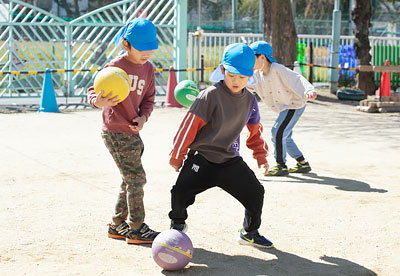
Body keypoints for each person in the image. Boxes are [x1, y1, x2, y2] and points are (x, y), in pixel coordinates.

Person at [168, 43, 274, 248]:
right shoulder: (209, 95)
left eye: (242, 77)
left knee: (256, 192)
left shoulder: (251, 101)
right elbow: (188, 126)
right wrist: (177, 156)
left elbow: (255, 131)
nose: (236, 81)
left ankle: (249, 232)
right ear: (223, 70)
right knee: (180, 191)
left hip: (229, 160)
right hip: (202, 157)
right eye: (232, 75)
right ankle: (177, 225)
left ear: (250, 74)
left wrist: (261, 156)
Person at [87, 18, 159, 244]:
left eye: (151, 49)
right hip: (115, 130)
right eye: (141, 49)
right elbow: (93, 91)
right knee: (137, 178)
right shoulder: (114, 68)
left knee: (129, 179)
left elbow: (149, 99)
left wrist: (143, 117)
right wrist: (96, 101)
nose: (147, 54)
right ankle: (136, 228)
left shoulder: (148, 69)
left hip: (133, 130)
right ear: (126, 45)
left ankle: (117, 225)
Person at [248, 41, 317, 176]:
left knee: (277, 132)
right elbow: (245, 86)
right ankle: (302, 163)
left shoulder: (278, 69)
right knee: (284, 136)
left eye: (252, 58)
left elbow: (297, 79)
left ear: (262, 57)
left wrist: (309, 90)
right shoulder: (257, 75)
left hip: (293, 104)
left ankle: (281, 165)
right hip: (284, 107)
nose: (250, 62)